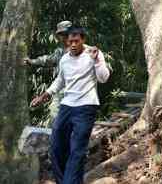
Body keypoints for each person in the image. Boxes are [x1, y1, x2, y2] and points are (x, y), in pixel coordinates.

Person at [30, 26, 110, 184]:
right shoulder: (65, 58)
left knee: (77, 151)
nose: (73, 44)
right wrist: (45, 95)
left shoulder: (93, 53)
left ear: (83, 40)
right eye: (70, 41)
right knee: (56, 147)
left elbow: (103, 78)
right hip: (67, 106)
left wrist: (97, 61)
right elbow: (60, 80)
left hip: (86, 107)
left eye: (76, 41)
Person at [24, 20, 72, 126]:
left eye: (66, 34)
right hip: (60, 91)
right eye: (61, 35)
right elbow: (49, 60)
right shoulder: (60, 52)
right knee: (55, 117)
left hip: (77, 94)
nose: (64, 37)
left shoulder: (82, 50)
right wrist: (32, 61)